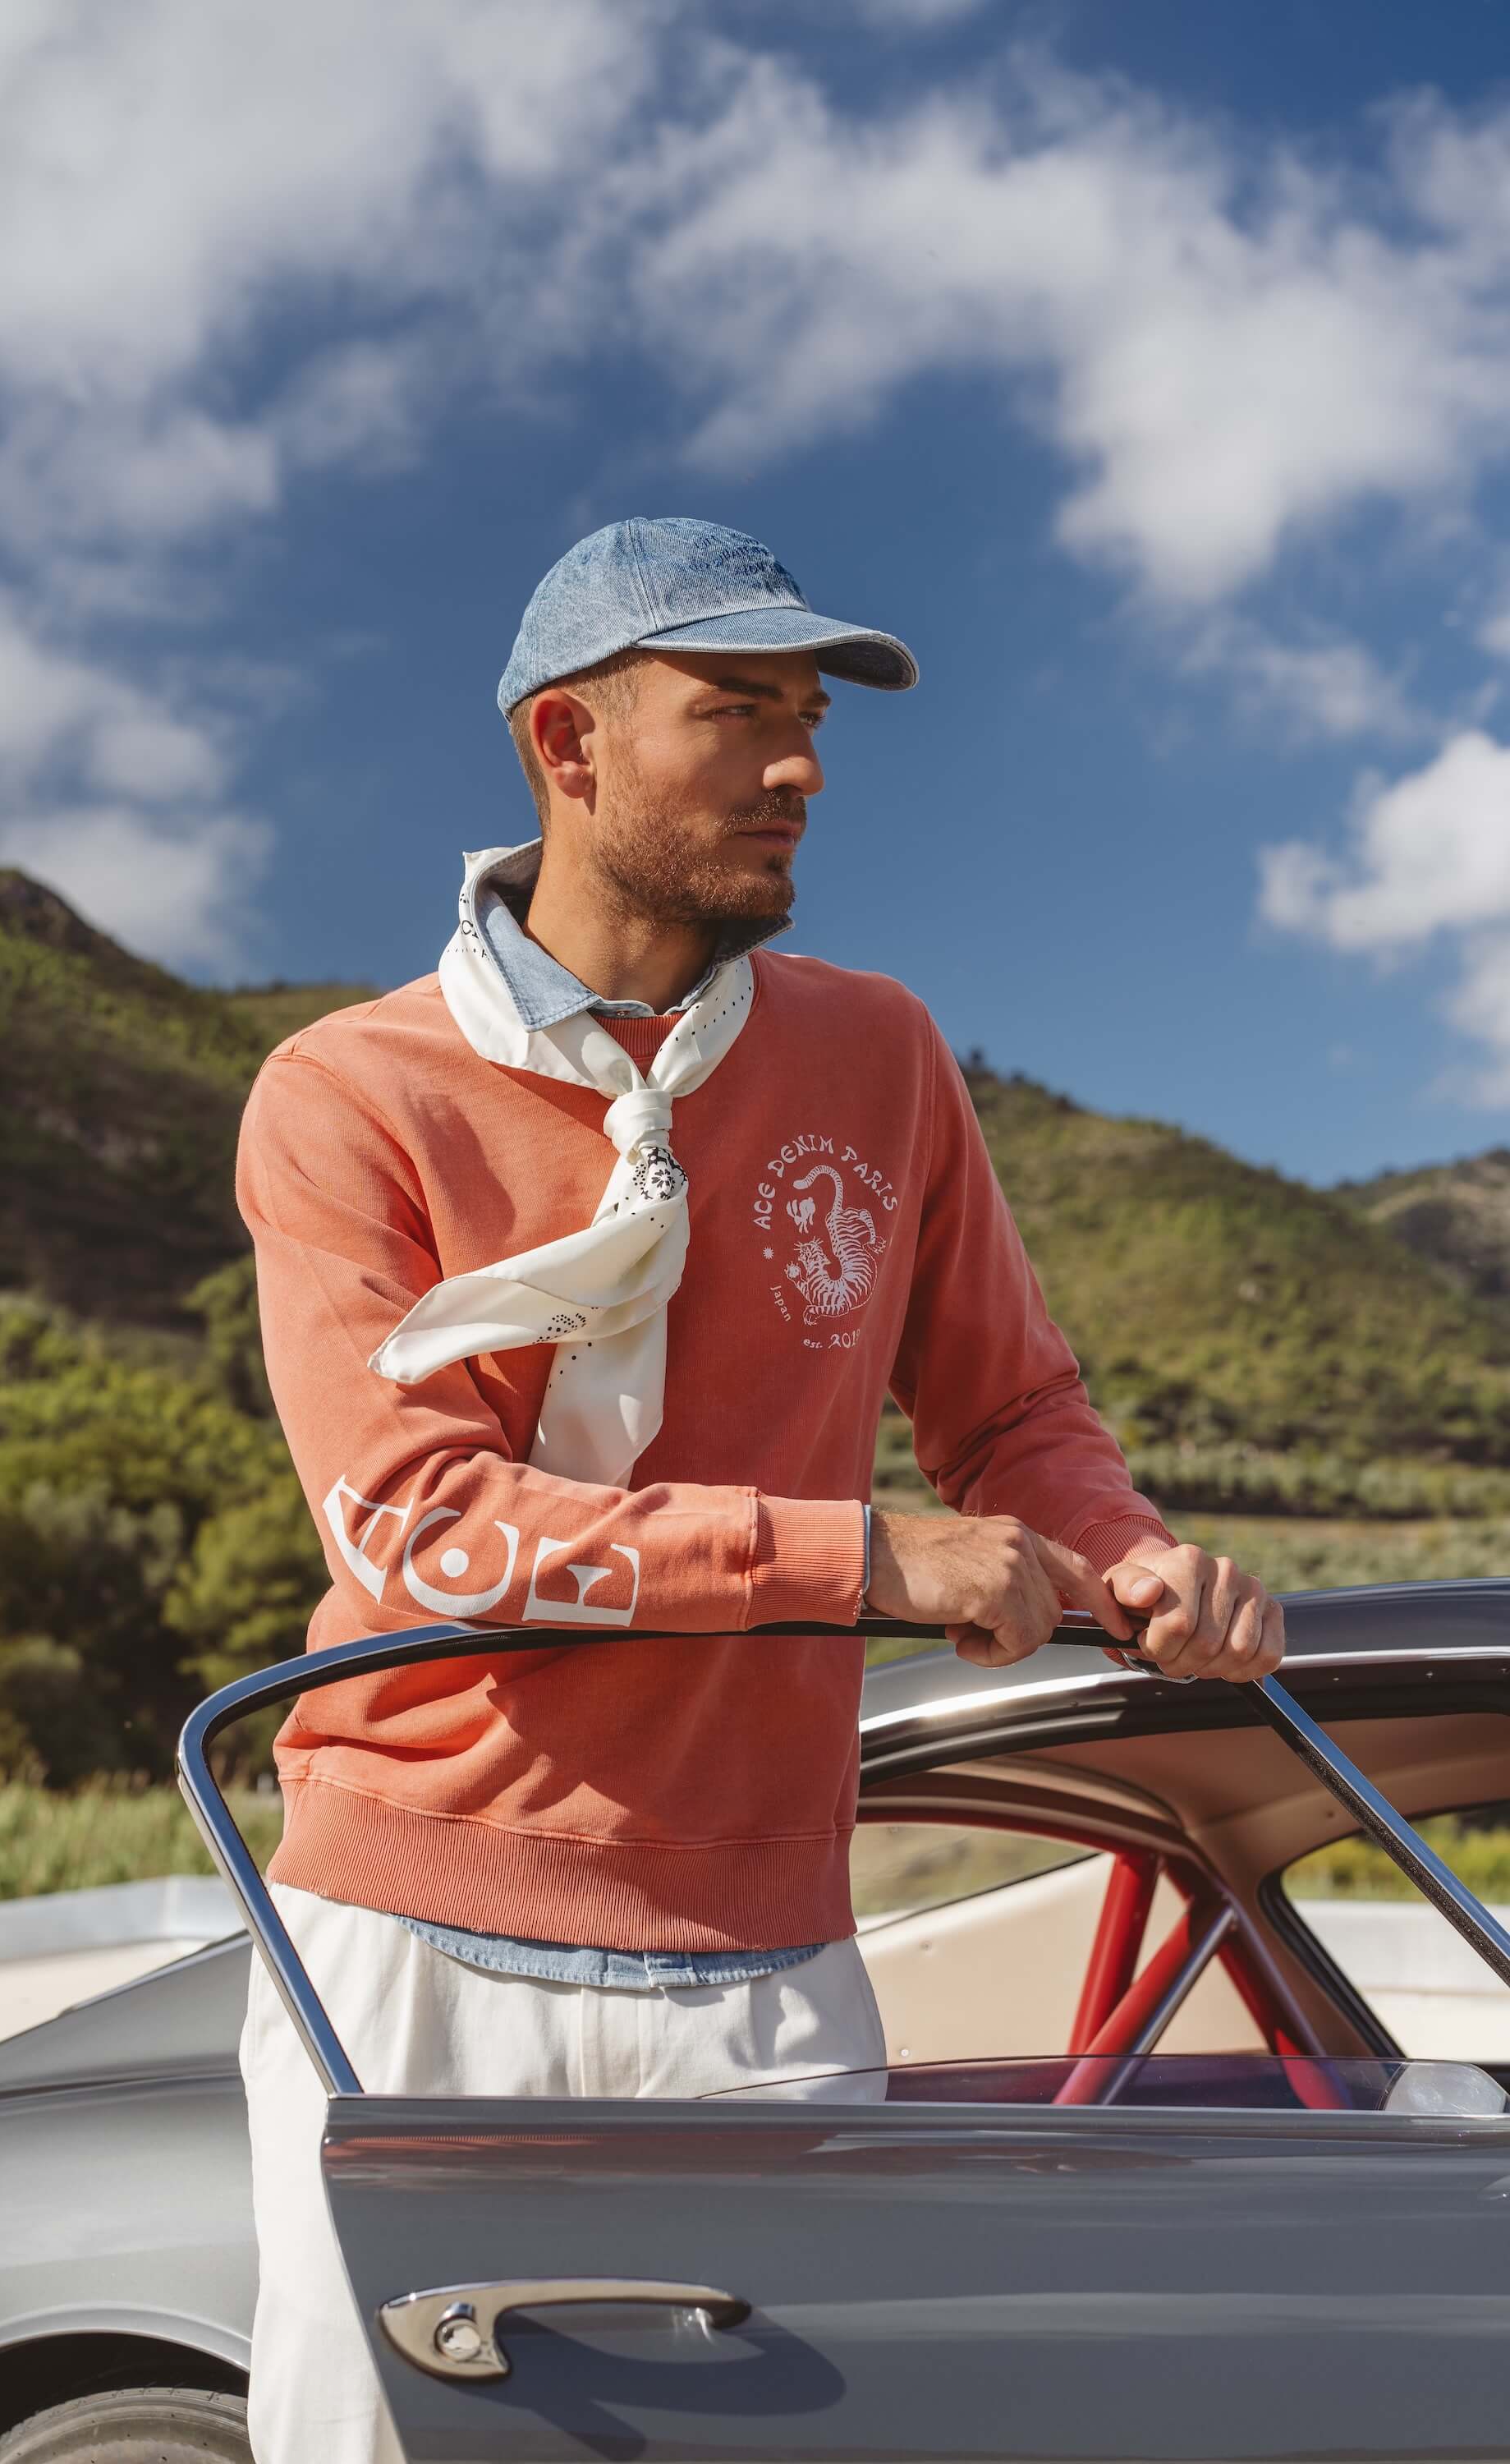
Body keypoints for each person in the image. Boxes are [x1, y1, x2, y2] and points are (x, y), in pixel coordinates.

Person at [234, 514, 1284, 2464]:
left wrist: (1137, 1559)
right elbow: (417, 1526)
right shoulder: (342, 1093)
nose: (801, 766)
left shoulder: (881, 1056)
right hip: (408, 1947)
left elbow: (1014, 1414)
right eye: (738, 713)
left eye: (810, 719)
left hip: (769, 1958)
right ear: (569, 745)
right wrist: (862, 1557)